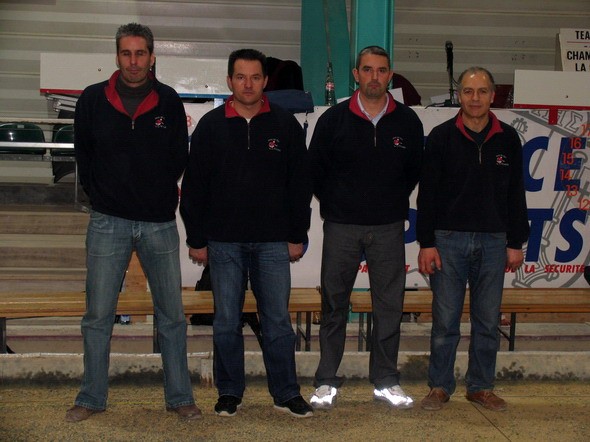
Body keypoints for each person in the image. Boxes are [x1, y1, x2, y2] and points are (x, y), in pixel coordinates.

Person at [65, 23, 200, 422]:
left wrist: (154, 193)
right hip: (108, 221)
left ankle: (180, 398)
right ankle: (91, 398)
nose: (134, 61)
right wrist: (103, 195)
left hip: (159, 223)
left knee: (172, 317)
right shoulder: (92, 99)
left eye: (141, 53)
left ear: (152, 57)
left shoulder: (168, 100)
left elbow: (178, 157)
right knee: (97, 316)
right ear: (117, 56)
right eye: (127, 53)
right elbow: (84, 155)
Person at [179, 48, 314, 418]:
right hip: (224, 242)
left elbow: (299, 184)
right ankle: (229, 392)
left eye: (255, 77)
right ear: (229, 81)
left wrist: (296, 233)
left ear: (265, 81)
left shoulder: (285, 125)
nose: (248, 84)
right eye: (241, 77)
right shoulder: (210, 126)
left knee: (278, 322)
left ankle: (286, 393)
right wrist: (197, 239)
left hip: (273, 242)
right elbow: (194, 187)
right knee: (226, 321)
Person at [308, 46, 424, 410]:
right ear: (356, 74)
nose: (375, 77)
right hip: (341, 226)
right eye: (368, 70)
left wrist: (388, 201)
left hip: (388, 227)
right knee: (334, 304)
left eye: (382, 70)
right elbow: (315, 171)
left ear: (390, 74)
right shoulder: (333, 120)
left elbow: (413, 171)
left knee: (389, 306)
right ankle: (326, 380)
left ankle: (386, 381)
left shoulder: (407, 121)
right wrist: (339, 203)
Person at [416, 67, 530, 412]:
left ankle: (481, 386)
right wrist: (426, 243)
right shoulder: (440, 137)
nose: (475, 98)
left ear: (492, 96)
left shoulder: (508, 138)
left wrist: (515, 242)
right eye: (468, 91)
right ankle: (439, 386)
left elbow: (516, 193)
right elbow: (427, 195)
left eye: (481, 91)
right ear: (459, 95)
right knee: (445, 321)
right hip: (447, 241)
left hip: (494, 242)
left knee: (488, 321)